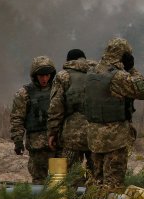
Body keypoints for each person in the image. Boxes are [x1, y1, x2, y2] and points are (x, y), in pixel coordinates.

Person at [85, 38, 144, 187]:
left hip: (94, 137)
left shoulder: (91, 72)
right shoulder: (118, 76)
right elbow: (143, 91)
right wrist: (132, 69)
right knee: (113, 184)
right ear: (124, 55)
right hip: (114, 138)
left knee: (95, 182)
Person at [47, 49, 96, 177]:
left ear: (68, 61)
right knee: (96, 175)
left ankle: (73, 196)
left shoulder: (63, 76)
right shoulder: (98, 73)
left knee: (69, 176)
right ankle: (95, 197)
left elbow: (55, 107)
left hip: (72, 134)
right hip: (97, 133)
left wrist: (52, 132)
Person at [10, 56, 58, 184]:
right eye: (41, 75)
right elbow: (17, 118)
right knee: (39, 181)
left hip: (57, 143)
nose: (44, 79)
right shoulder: (24, 93)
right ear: (34, 75)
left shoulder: (58, 90)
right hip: (37, 146)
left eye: (47, 75)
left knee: (59, 181)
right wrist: (18, 140)